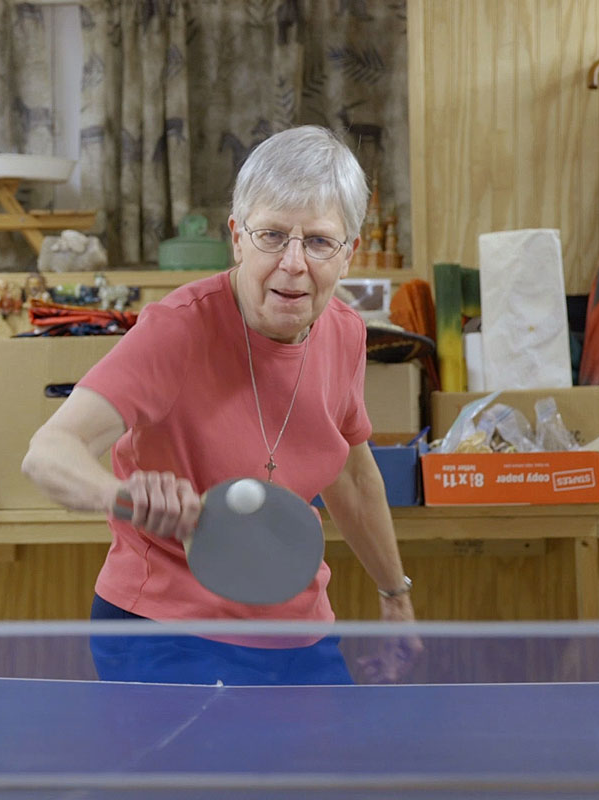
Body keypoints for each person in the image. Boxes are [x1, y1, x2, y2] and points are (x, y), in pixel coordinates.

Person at [21, 125, 419, 686]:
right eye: (273, 236)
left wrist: (394, 595)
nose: (294, 263)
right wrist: (123, 497)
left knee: (328, 773)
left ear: (350, 254)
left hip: (295, 627)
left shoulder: (347, 333)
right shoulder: (177, 330)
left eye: (319, 242)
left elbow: (352, 475)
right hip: (162, 631)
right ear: (237, 237)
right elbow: (47, 452)